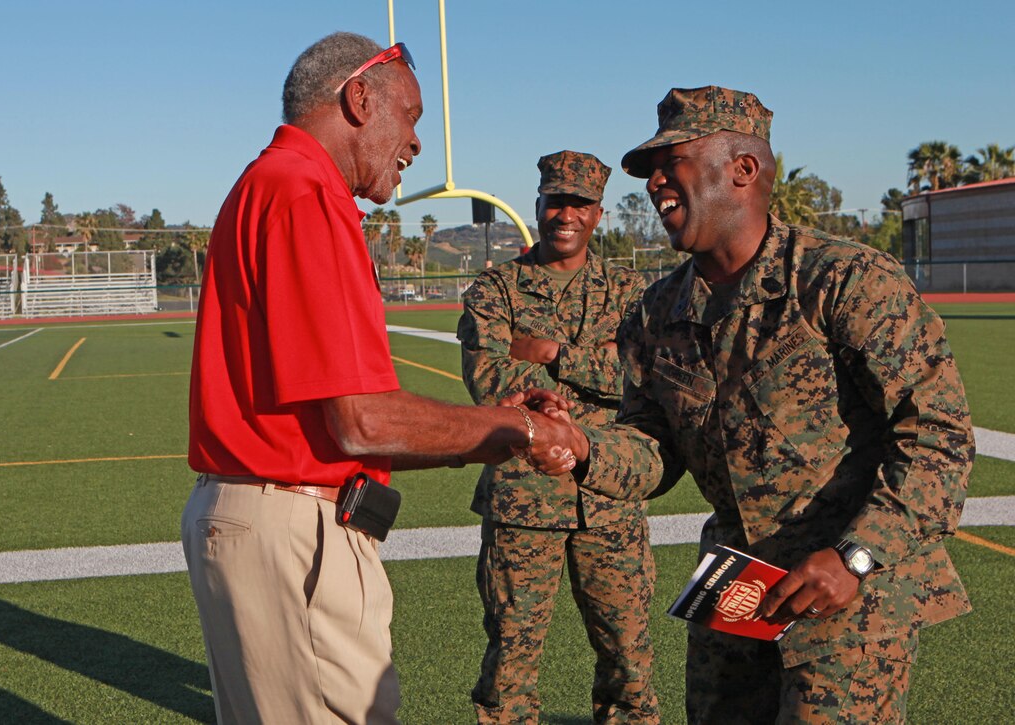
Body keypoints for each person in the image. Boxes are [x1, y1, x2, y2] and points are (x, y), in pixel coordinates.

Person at [519, 86, 974, 723]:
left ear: (743, 169)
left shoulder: (842, 280)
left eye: (669, 162)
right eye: (650, 170)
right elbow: (653, 449)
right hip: (736, 591)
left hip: (850, 595)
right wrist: (582, 445)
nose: (653, 183)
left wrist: (857, 555)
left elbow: (938, 436)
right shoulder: (656, 311)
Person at [182, 32, 581, 725]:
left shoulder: (272, 184)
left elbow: (342, 426)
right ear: (359, 99)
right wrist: (519, 427)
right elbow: (361, 419)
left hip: (269, 518)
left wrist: (492, 435)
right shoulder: (305, 192)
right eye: (413, 114)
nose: (417, 141)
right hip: (294, 529)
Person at [457, 151, 658, 724]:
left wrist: (552, 354)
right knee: (510, 664)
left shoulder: (629, 292)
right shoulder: (496, 289)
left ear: (598, 214)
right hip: (523, 499)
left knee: (630, 661)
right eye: (556, 201)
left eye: (580, 203)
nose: (566, 214)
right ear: (538, 205)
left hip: (610, 496)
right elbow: (491, 379)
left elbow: (644, 374)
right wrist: (597, 368)